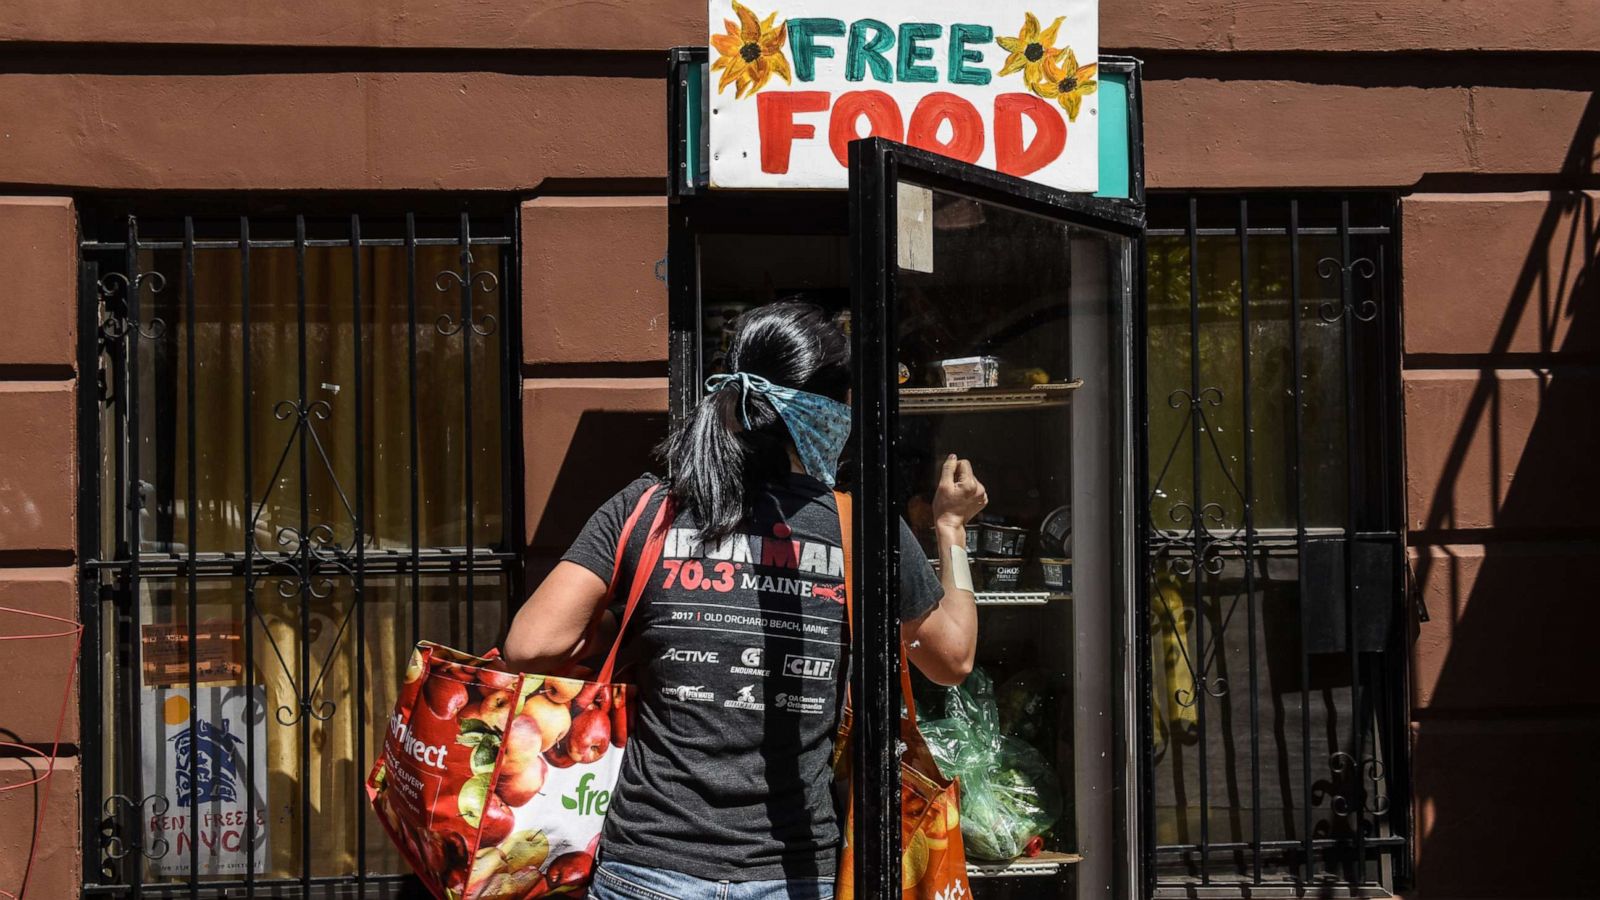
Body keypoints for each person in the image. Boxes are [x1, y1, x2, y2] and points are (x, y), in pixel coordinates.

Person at [504, 301, 984, 900]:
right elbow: (952, 658)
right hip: (788, 874)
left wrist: (623, 631)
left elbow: (530, 645)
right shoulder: (859, 530)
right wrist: (951, 532)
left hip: (646, 867)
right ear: (830, 410)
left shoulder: (649, 508)